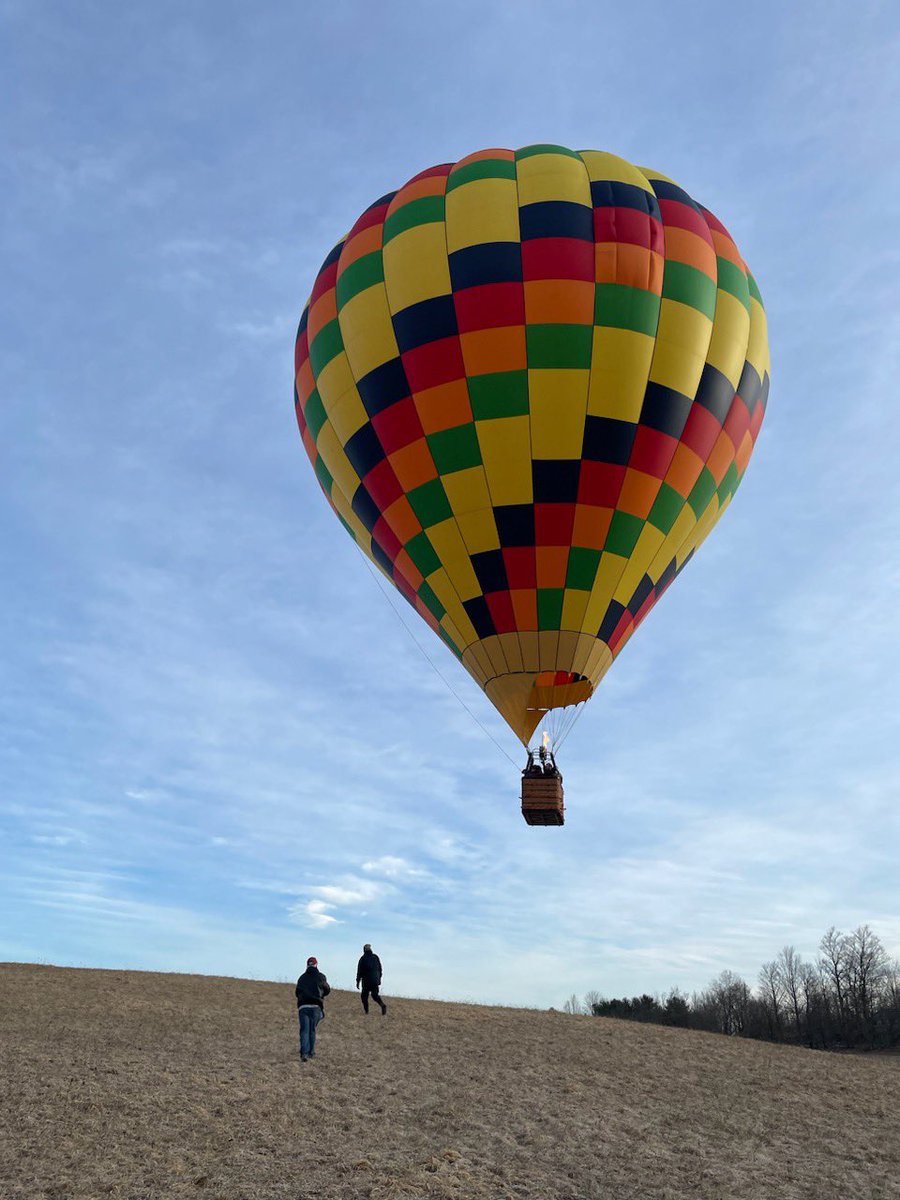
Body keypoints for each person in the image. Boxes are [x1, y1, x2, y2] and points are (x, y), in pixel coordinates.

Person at [295, 955, 331, 1061]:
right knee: (312, 1030)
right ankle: (311, 1052)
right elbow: (327, 989)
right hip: (316, 1006)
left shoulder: (301, 978)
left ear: (307, 965)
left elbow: (297, 992)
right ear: (316, 965)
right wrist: (322, 994)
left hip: (303, 1007)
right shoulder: (321, 976)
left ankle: (304, 1054)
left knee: (304, 1030)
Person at [356, 943, 387, 1014]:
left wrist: (358, 981)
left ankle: (366, 1011)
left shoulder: (362, 959)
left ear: (364, 950)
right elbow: (380, 969)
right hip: (375, 981)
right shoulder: (376, 957)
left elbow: (359, 971)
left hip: (366, 981)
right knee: (375, 995)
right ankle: (382, 1005)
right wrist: (378, 978)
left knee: (364, 997)